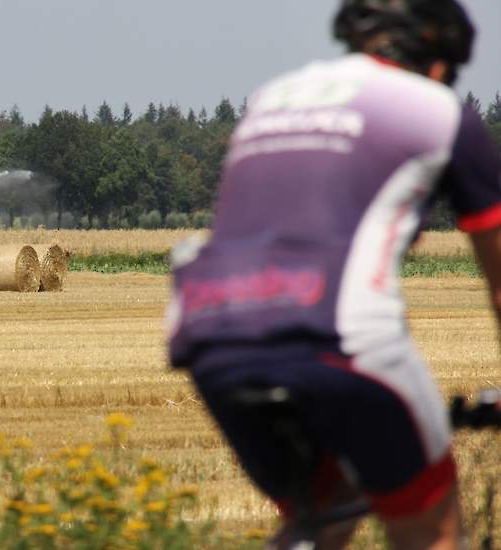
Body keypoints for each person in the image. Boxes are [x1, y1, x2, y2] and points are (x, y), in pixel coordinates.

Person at [166, 1, 501, 548]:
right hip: (336, 331)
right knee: (430, 526)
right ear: (437, 60)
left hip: (207, 330)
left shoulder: (273, 98)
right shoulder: (436, 109)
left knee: (322, 514)